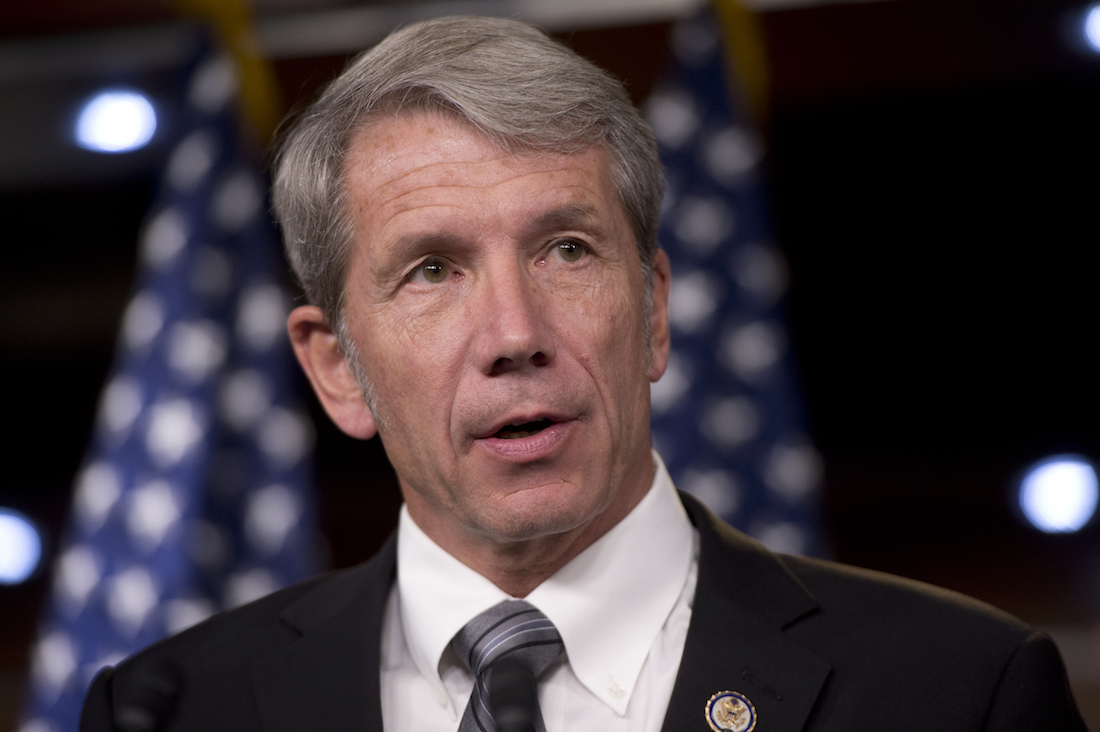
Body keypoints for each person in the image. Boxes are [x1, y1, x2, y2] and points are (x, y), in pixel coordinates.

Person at [81, 15, 1085, 732]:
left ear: (651, 311)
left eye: (564, 249)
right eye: (432, 270)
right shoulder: (170, 709)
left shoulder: (956, 691)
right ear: (336, 368)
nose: (513, 333)